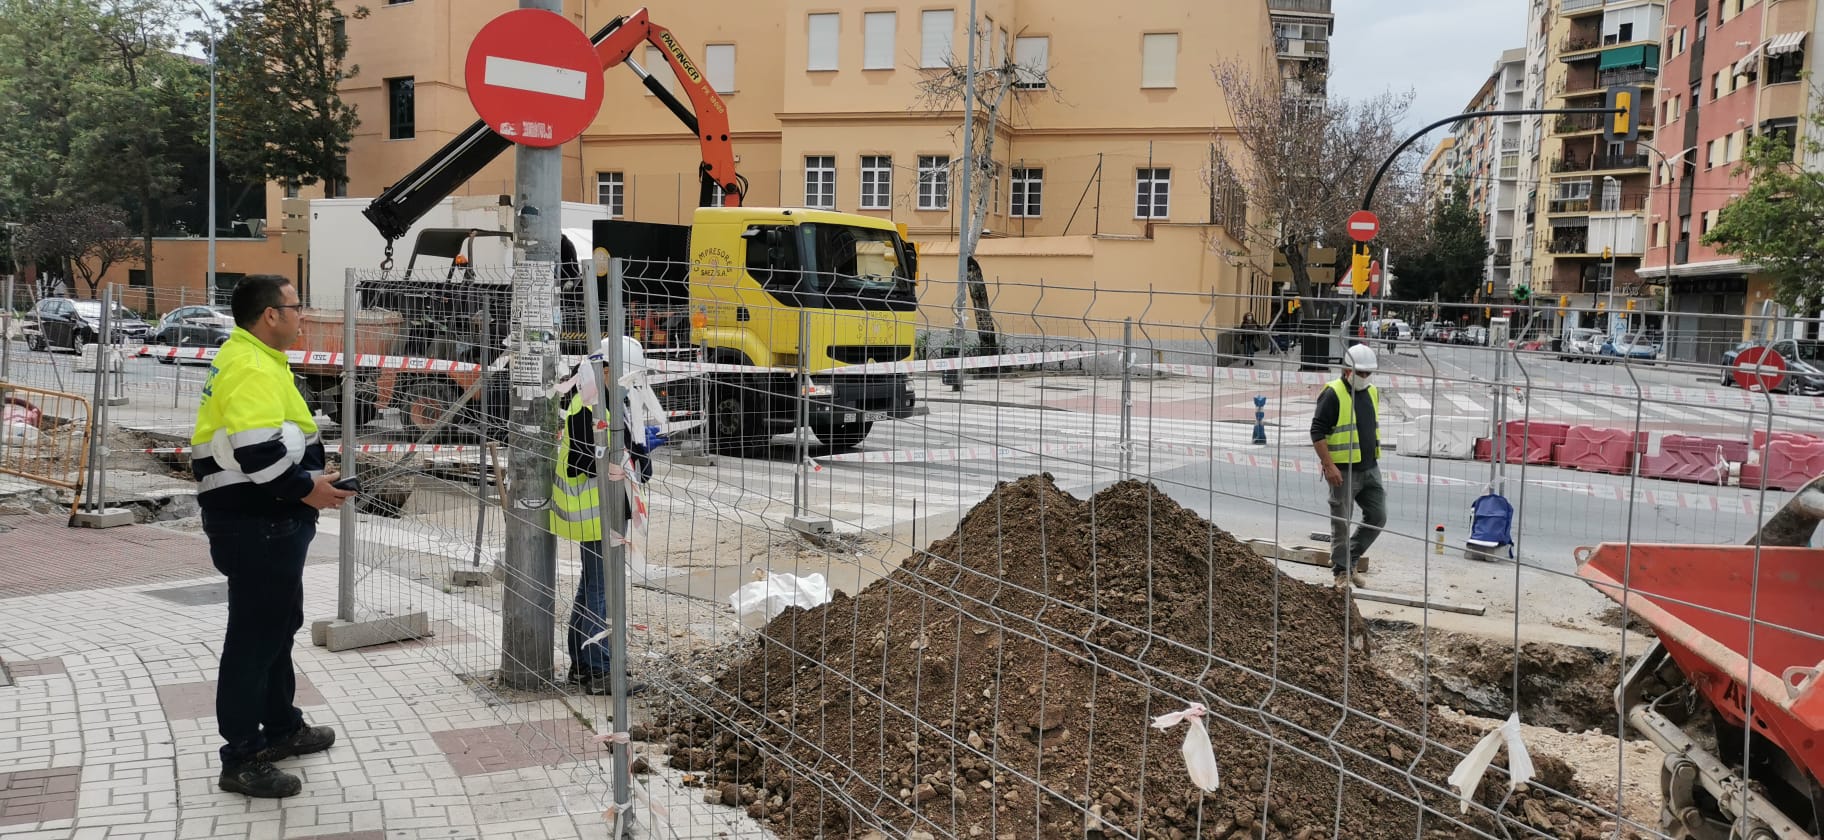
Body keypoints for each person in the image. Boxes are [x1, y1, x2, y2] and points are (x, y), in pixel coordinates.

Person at [190, 274, 354, 798]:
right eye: (296, 306)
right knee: (254, 638)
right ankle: (242, 756)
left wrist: (309, 485)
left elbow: (270, 445)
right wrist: (308, 491)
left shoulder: (258, 361)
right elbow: (257, 454)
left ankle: (281, 727)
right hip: (256, 523)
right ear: (270, 316)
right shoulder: (251, 365)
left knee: (278, 624)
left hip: (267, 519)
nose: (302, 315)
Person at [551, 338, 653, 695]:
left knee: (592, 586)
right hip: (596, 511)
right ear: (606, 370)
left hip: (603, 510)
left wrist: (636, 452)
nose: (632, 383)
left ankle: (583, 665)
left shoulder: (605, 400)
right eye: (627, 375)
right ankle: (599, 670)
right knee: (602, 590)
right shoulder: (589, 405)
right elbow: (583, 460)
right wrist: (623, 455)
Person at [1311, 343, 1387, 589]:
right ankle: (1341, 572)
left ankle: (1351, 559)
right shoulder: (1333, 393)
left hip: (1369, 468)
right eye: (1361, 373)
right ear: (1347, 369)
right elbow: (1317, 432)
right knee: (1341, 523)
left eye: (1368, 373)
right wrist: (1329, 465)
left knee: (1377, 516)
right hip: (1342, 470)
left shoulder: (1372, 392)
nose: (1365, 378)